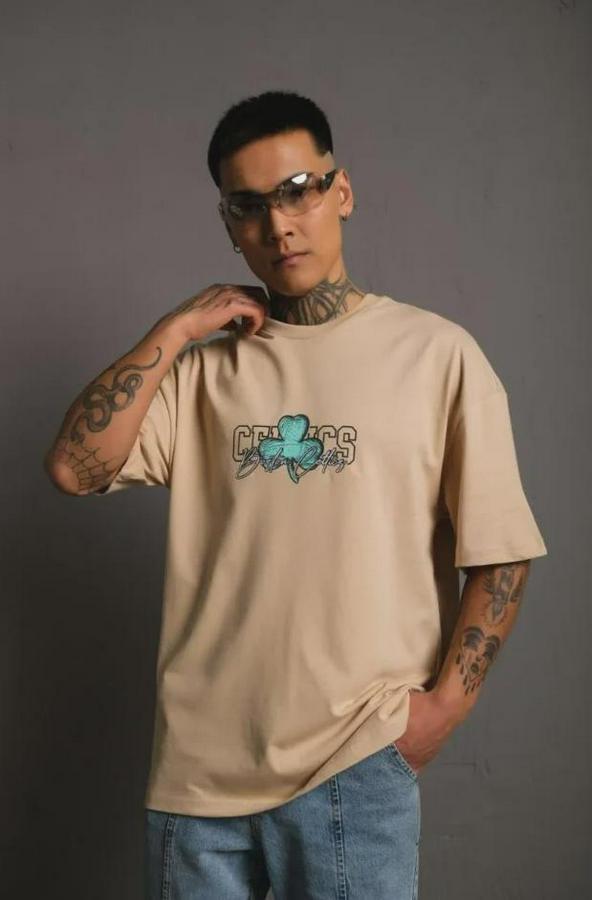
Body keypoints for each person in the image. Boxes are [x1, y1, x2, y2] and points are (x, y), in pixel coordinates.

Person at [43, 90, 548, 899]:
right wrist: (176, 331)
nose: (278, 225)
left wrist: (440, 715)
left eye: (298, 191)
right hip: (196, 787)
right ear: (229, 225)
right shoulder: (203, 375)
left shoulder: (437, 356)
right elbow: (75, 467)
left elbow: (504, 555)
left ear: (341, 192)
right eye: (249, 206)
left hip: (357, 765)